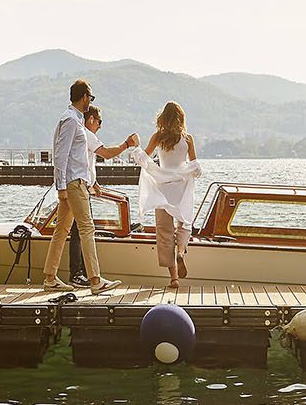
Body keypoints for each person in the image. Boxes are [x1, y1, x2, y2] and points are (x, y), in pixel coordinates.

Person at [41, 79, 121, 293]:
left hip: (76, 182)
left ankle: (50, 277)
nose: (90, 102)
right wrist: (61, 187)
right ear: (85, 97)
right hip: (73, 183)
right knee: (87, 227)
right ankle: (95, 280)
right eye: (90, 98)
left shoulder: (74, 120)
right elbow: (61, 155)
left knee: (62, 230)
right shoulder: (70, 120)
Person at [64, 105, 138, 284]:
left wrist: (93, 182)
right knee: (80, 232)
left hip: (81, 186)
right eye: (99, 121)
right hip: (78, 188)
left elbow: (85, 162)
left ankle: (77, 274)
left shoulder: (84, 134)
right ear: (91, 120)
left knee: (75, 231)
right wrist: (126, 144)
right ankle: (79, 275)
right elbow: (106, 153)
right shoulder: (87, 135)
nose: (100, 126)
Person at [141, 101, 199, 289]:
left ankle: (174, 278)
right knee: (184, 222)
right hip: (181, 188)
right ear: (181, 118)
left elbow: (145, 157)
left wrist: (134, 148)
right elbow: (194, 164)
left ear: (162, 118)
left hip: (163, 189)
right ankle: (180, 251)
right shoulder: (188, 139)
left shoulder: (159, 137)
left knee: (165, 232)